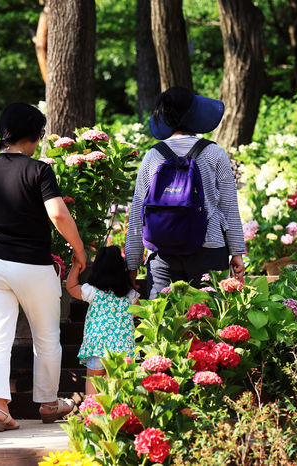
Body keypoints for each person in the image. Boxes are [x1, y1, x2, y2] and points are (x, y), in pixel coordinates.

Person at [0, 102, 87, 431]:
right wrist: (79, 248)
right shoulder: (38, 171)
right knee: (46, 335)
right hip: (33, 265)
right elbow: (58, 214)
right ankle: (47, 403)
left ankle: (0, 409)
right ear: (32, 136)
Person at [125, 86, 246, 298]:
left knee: (163, 321)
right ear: (195, 114)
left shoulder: (153, 156)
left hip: (162, 253)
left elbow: (137, 214)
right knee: (207, 321)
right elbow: (229, 207)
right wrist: (237, 252)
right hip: (209, 249)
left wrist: (132, 263)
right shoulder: (214, 153)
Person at [65, 246, 139, 395]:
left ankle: (91, 413)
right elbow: (139, 313)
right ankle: (114, 415)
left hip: (97, 346)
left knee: (93, 380)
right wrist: (131, 281)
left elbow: (71, 286)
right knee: (117, 384)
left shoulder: (92, 291)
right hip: (121, 350)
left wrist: (76, 266)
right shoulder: (130, 295)